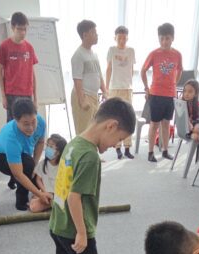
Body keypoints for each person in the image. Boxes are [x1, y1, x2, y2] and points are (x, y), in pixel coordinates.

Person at [49, 98, 135, 254]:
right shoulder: (90, 157)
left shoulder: (74, 142)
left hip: (58, 224)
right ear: (110, 125)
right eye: (118, 139)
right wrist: (82, 233)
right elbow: (74, 198)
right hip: (74, 229)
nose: (115, 144)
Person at [0, 98, 50, 211]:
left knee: (33, 169)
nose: (31, 128)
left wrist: (36, 165)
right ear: (16, 120)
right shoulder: (11, 137)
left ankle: (13, 178)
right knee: (27, 166)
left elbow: (40, 142)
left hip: (22, 152)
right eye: (26, 124)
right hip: (0, 156)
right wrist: (39, 194)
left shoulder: (41, 122)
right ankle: (21, 201)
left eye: (33, 122)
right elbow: (19, 174)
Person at [141, 22, 183, 163]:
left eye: (167, 38)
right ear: (159, 39)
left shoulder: (177, 54)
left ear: (173, 38)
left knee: (166, 123)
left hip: (170, 95)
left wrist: (175, 83)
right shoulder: (154, 54)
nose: (164, 41)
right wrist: (147, 88)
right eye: (162, 38)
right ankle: (150, 152)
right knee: (154, 124)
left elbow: (180, 69)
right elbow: (143, 70)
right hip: (156, 94)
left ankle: (165, 150)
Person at [0, 11, 37, 122]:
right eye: (19, 29)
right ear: (13, 27)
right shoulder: (4, 46)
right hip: (11, 94)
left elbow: (32, 74)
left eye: (25, 29)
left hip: (27, 93)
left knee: (28, 124)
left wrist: (35, 98)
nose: (22, 32)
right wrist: (3, 96)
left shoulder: (29, 47)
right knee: (13, 124)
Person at [106, 25, 136, 159]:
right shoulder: (112, 50)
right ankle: (117, 147)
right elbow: (108, 69)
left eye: (124, 38)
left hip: (127, 88)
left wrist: (130, 84)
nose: (122, 40)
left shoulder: (131, 51)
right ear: (115, 38)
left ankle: (128, 147)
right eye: (120, 38)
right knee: (115, 118)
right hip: (114, 88)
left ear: (127, 38)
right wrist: (106, 88)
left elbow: (131, 70)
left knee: (128, 117)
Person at [71, 20, 106, 137]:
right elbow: (77, 79)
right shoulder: (78, 55)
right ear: (85, 35)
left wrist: (105, 91)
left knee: (94, 130)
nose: (97, 35)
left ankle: (91, 155)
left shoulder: (94, 54)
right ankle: (83, 156)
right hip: (84, 96)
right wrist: (82, 100)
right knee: (83, 132)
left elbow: (99, 74)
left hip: (94, 97)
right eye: (94, 33)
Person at [32, 134, 67, 212]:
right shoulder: (42, 164)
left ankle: (53, 203)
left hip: (60, 194)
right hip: (46, 193)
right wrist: (44, 192)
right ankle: (51, 203)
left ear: (58, 152)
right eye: (47, 145)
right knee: (34, 207)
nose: (47, 148)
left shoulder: (63, 165)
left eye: (51, 147)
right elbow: (38, 180)